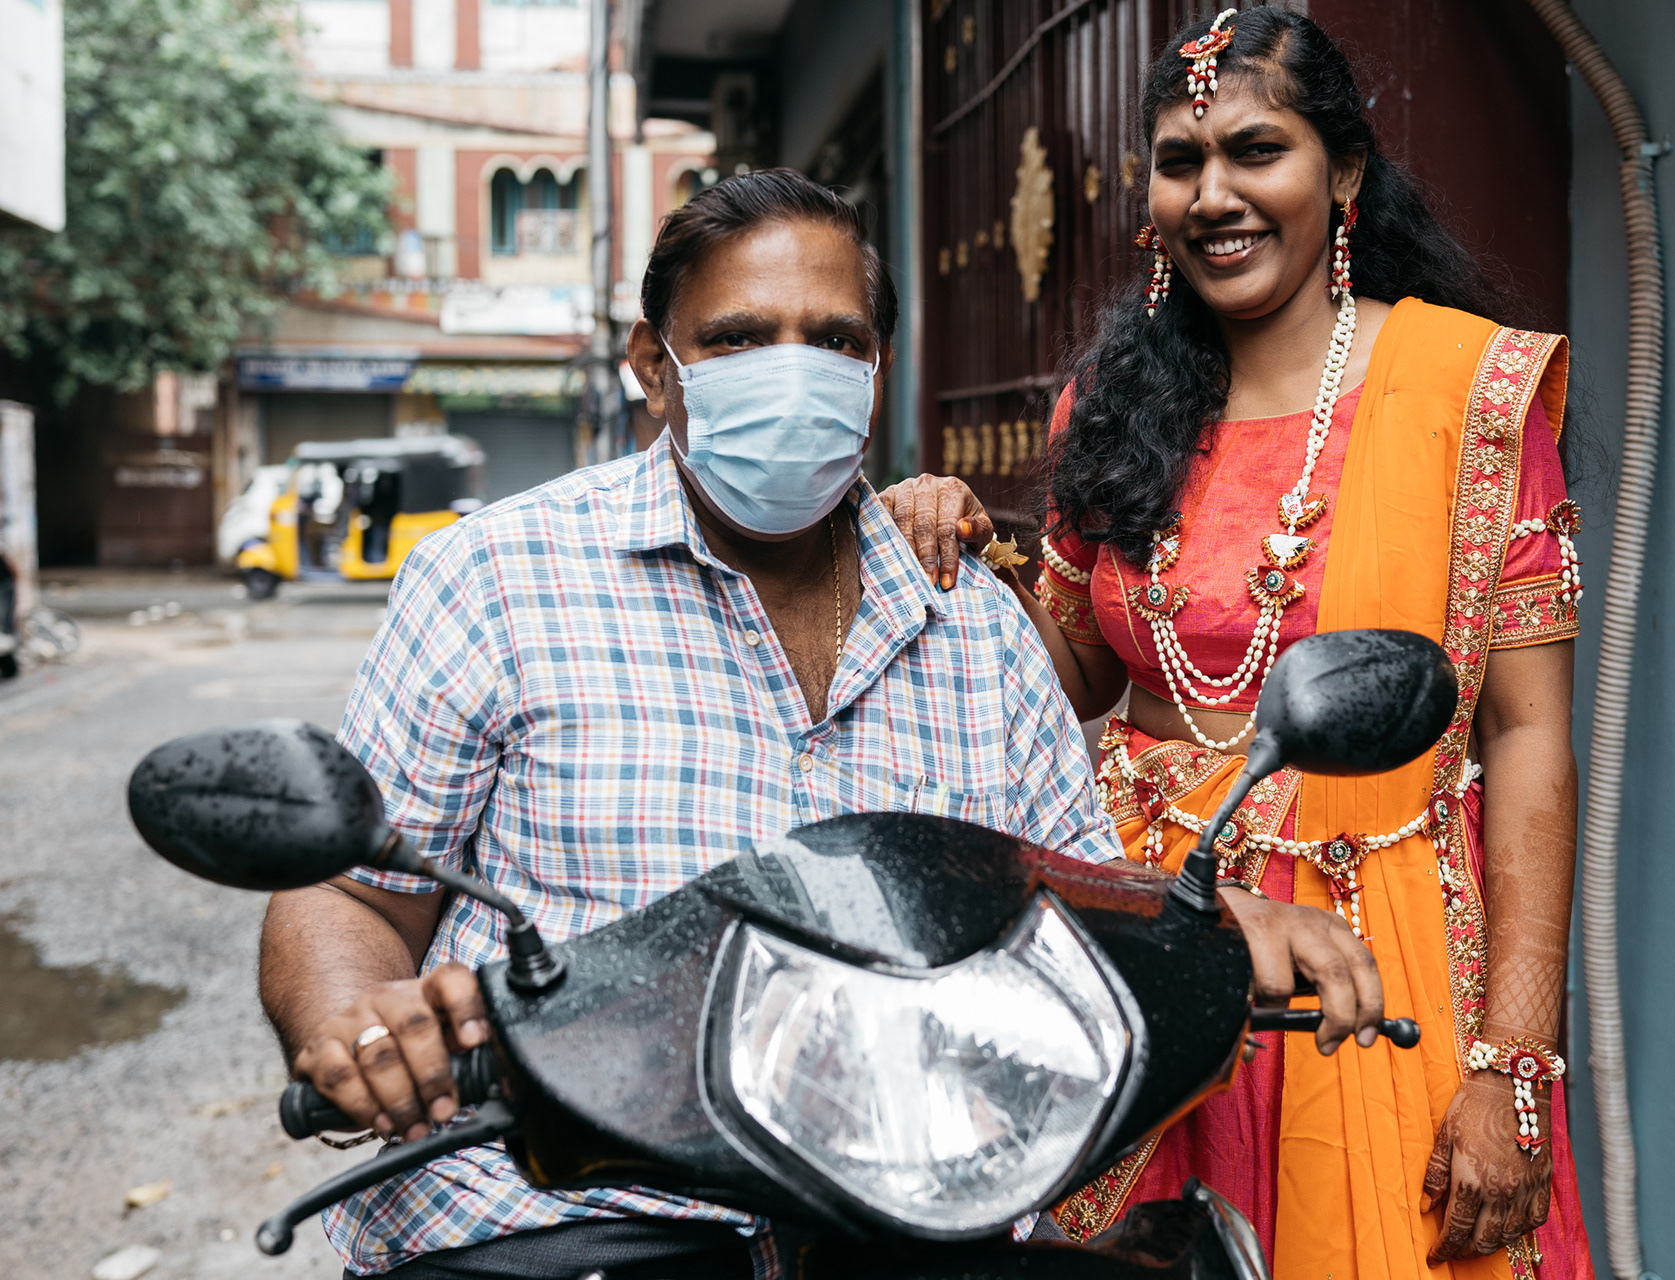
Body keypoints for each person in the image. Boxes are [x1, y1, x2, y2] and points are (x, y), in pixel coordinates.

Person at [258, 169, 1388, 1280]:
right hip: (559, 1215)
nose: (792, 374)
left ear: (878, 372)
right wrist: (367, 1026)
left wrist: (1210, 928)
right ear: (656, 366)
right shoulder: (492, 578)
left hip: (904, 1224)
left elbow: (1077, 907)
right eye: (740, 339)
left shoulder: (979, 627)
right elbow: (352, 889)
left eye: (835, 341)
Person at [883, 10, 1595, 1279]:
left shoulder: (1463, 389)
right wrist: (953, 556)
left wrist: (1512, 1066)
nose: (1213, 194)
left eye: (1256, 150)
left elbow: (1530, 737)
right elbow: (1068, 681)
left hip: (1378, 960)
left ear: (1347, 172)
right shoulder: (1115, 403)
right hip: (1147, 945)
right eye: (1178, 159)